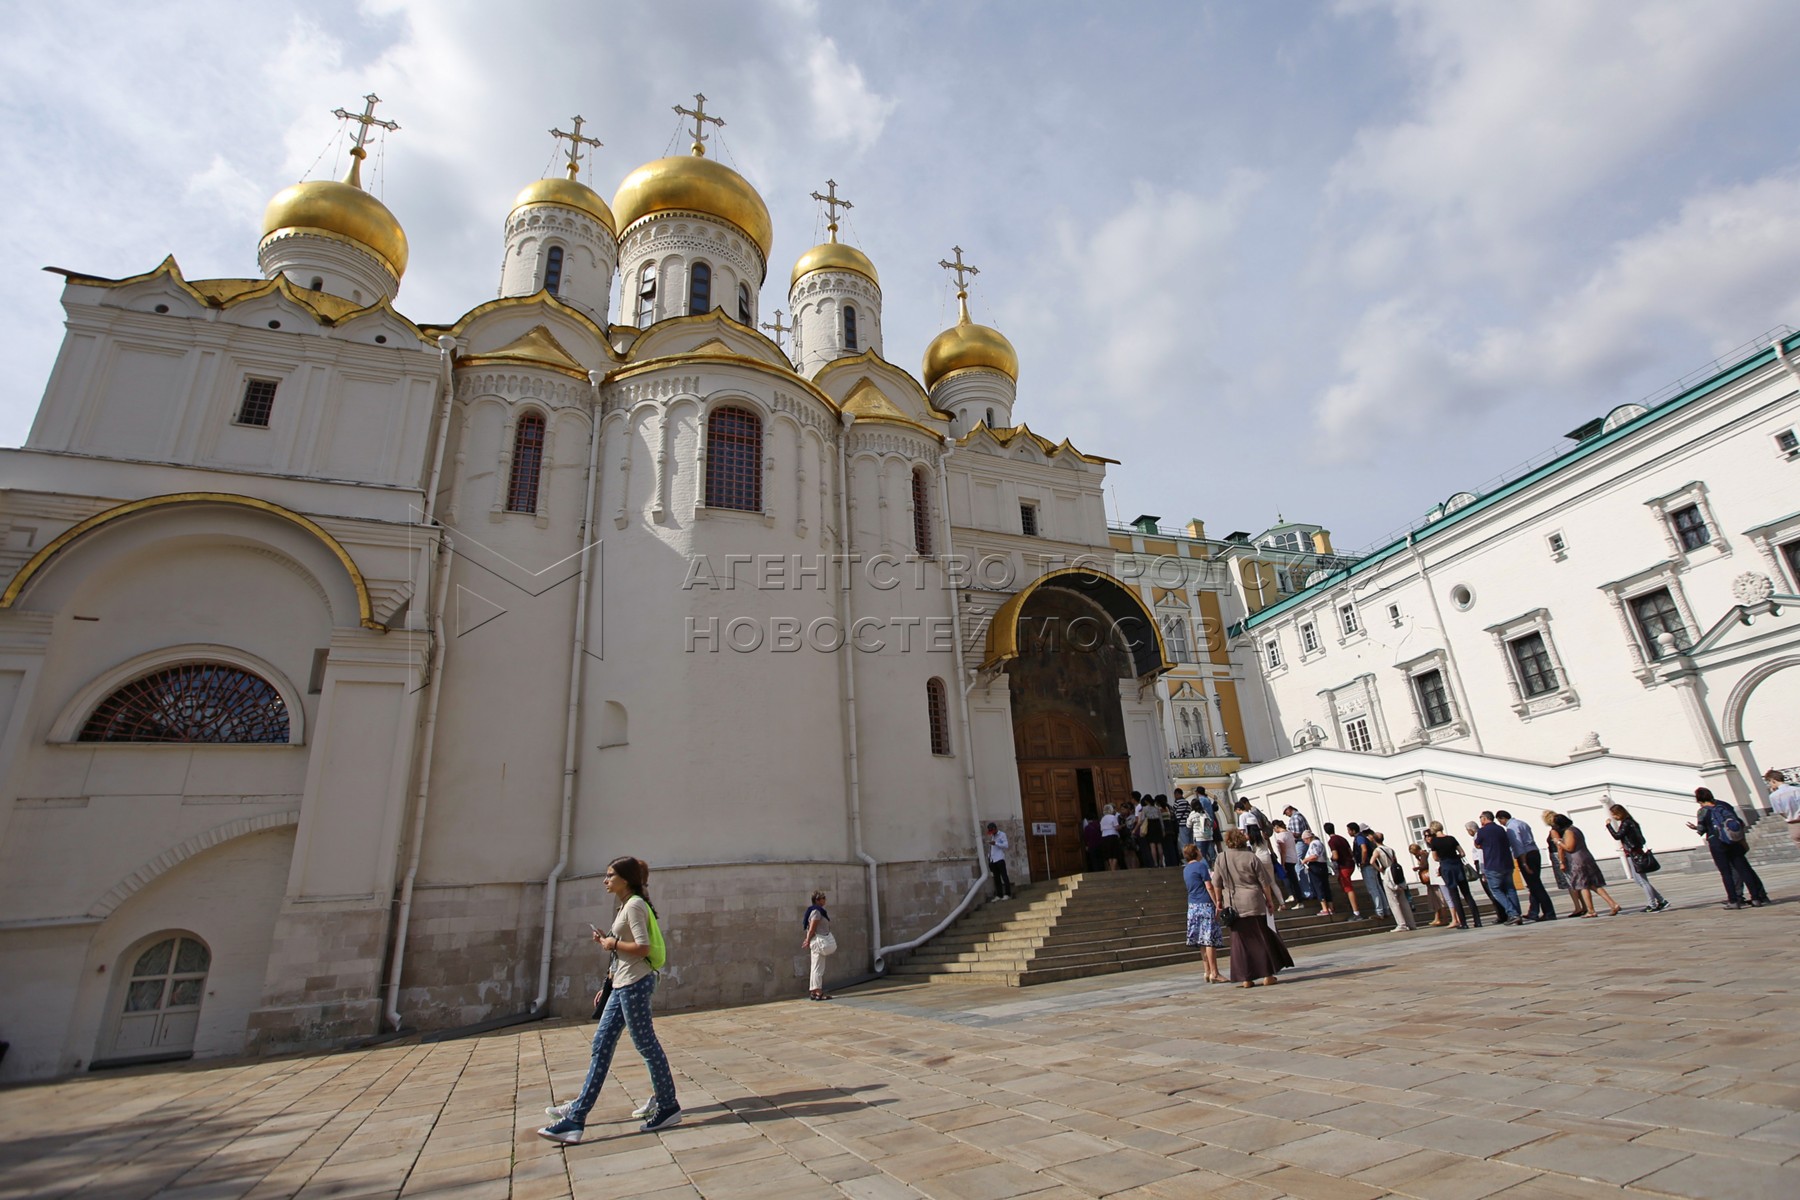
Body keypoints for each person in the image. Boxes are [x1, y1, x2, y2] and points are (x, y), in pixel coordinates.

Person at [539, 856, 681, 1143]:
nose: (605, 880)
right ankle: (577, 1116)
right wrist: (609, 977)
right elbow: (625, 951)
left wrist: (611, 943)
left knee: (645, 1044)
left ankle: (667, 1105)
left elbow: (642, 947)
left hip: (635, 984)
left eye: (609, 876)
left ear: (625, 879)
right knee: (601, 1045)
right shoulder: (626, 905)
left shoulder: (635, 905)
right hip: (621, 984)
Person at [1215, 829, 1294, 987]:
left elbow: (1217, 882)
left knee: (1240, 942)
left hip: (1234, 904)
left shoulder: (1221, 858)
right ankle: (1267, 975)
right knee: (1261, 938)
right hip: (1254, 900)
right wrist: (1270, 901)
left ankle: (1246, 978)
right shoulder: (1251, 857)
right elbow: (1264, 882)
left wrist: (1218, 901)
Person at [1689, 788, 1769, 908]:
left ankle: (1734, 900)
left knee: (1726, 873)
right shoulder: (1723, 805)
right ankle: (1756, 898)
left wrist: (1696, 828)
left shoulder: (1703, 811)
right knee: (1744, 870)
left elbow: (1702, 829)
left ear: (1699, 799)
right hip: (1734, 841)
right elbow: (1738, 822)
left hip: (1717, 842)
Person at [1553, 815, 1622, 917]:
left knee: (1583, 885)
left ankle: (1591, 910)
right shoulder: (1576, 829)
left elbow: (1570, 847)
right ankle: (1613, 904)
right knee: (1593, 884)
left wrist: (1558, 842)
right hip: (1585, 857)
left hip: (1578, 860)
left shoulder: (1569, 832)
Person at [1605, 804, 1669, 912]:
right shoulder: (1631, 822)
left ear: (1619, 813)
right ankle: (1661, 900)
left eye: (1614, 815)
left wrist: (1608, 826)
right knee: (1639, 880)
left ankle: (1652, 904)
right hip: (1635, 852)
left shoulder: (1626, 823)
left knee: (1642, 881)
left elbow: (1617, 836)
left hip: (1634, 854)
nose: (1613, 817)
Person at [1498, 808, 1556, 921]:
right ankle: (1533, 912)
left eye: (1500, 821)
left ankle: (1549, 912)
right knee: (1533, 885)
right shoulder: (1522, 823)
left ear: (1502, 819)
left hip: (1526, 855)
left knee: (1536, 885)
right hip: (1534, 852)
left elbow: (1518, 845)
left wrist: (1524, 863)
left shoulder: (1511, 828)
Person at [1181, 843, 1227, 983]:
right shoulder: (1201, 866)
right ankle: (1215, 972)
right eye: (1198, 850)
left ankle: (1207, 971)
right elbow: (1209, 886)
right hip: (1205, 904)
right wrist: (1217, 903)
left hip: (1192, 906)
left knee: (1201, 940)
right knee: (1209, 939)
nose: (1200, 851)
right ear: (1195, 852)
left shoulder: (1186, 869)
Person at [1472, 812, 1524, 925]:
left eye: (1481, 818)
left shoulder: (1482, 831)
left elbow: (1477, 844)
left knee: (1496, 890)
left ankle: (1513, 913)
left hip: (1492, 865)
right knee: (1510, 889)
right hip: (1506, 863)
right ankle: (1517, 914)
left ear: (1485, 819)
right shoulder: (1501, 829)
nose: (1480, 821)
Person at [1426, 821, 1479, 929]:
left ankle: (1463, 923)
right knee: (1467, 894)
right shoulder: (1451, 838)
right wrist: (1456, 856)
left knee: (1454, 896)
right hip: (1457, 865)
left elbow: (1435, 858)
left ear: (1433, 830)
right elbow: (1462, 852)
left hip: (1446, 867)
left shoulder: (1435, 841)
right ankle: (1477, 921)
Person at [1543, 810, 1587, 916]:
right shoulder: (1564, 829)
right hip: (1567, 855)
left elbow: (1559, 846)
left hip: (1558, 855)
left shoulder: (1554, 831)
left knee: (1569, 882)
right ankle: (1583, 906)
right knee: (1574, 881)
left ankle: (1578, 906)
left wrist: (1561, 861)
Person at [1370, 834, 1416, 931]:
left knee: (1393, 901)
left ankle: (1401, 924)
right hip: (1396, 872)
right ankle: (1411, 923)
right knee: (1403, 900)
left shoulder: (1377, 850)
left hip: (1387, 873)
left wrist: (1379, 869)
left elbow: (1372, 861)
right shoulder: (1390, 849)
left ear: (1374, 840)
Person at [1349, 823, 1390, 921]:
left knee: (1373, 889)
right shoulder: (1364, 837)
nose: (1348, 832)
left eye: (1349, 830)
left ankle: (1379, 911)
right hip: (1371, 866)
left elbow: (1364, 849)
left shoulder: (1359, 838)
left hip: (1367, 866)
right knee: (1378, 887)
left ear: (1353, 830)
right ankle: (1386, 909)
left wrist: (1363, 861)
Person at [1324, 823, 1364, 919]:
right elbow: (1350, 852)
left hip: (1343, 866)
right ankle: (1352, 905)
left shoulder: (1332, 841)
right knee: (1342, 883)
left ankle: (1356, 912)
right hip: (1350, 863)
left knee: (1348, 888)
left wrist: (1332, 859)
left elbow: (1336, 855)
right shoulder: (1342, 838)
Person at [802, 890, 837, 1000]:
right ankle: (818, 992)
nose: (825, 900)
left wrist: (808, 939)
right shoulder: (817, 912)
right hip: (818, 941)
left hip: (816, 941)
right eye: (823, 898)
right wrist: (807, 940)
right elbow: (812, 928)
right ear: (817, 900)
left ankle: (813, 991)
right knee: (818, 968)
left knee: (815, 967)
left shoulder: (815, 911)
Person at [1410, 842, 1449, 926]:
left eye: (1413, 853)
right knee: (1436, 900)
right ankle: (1438, 918)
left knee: (1438, 899)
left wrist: (1417, 867)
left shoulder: (1423, 855)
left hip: (1431, 880)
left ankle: (1443, 918)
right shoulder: (1424, 854)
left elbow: (1424, 866)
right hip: (1431, 881)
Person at [1269, 820, 1303, 906]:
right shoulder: (1290, 834)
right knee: (1293, 879)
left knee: (1289, 879)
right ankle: (1297, 897)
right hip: (1293, 857)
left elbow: (1283, 851)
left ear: (1276, 827)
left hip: (1287, 859)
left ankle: (1296, 898)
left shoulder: (1280, 836)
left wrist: (1282, 863)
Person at [1302, 831, 1335, 917]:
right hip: (1323, 866)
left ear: (1308, 838)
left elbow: (1314, 856)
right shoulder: (1319, 842)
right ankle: (1330, 908)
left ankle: (1325, 908)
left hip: (1316, 866)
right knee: (1325, 886)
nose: (1304, 842)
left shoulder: (1314, 843)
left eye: (1304, 840)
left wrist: (1305, 860)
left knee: (1318, 886)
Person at [1769, 768, 1800, 854]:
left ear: (1773, 781)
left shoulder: (1774, 796)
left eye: (1770, 782)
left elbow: (1780, 812)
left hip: (1793, 824)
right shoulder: (1797, 789)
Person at [985, 822, 1014, 900]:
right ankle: (999, 894)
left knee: (1004, 876)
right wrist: (989, 857)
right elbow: (992, 849)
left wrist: (996, 843)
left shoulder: (1002, 835)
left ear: (995, 829)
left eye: (992, 831)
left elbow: (1006, 845)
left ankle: (1007, 893)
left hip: (1000, 858)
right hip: (993, 859)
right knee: (996, 878)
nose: (991, 833)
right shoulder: (992, 836)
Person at [1143, 798, 1166, 868]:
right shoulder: (1157, 808)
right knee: (1159, 845)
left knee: (1152, 845)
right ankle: (1161, 862)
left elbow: (1143, 819)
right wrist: (1163, 830)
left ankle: (1155, 863)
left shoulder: (1145, 809)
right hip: (1157, 825)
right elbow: (1161, 820)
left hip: (1150, 825)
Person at [1099, 804, 1122, 870]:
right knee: (1115, 853)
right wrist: (1122, 826)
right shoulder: (1113, 817)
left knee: (1109, 854)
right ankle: (1113, 869)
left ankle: (1112, 868)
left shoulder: (1102, 819)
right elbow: (1116, 827)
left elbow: (1101, 828)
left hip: (1104, 836)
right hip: (1113, 835)